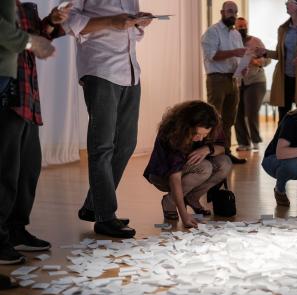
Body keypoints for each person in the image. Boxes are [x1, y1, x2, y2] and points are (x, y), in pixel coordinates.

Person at [63, 1, 153, 238]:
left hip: (131, 71)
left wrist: (138, 22)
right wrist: (111, 22)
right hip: (100, 69)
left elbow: (130, 34)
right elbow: (69, 22)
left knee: (126, 143)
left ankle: (94, 205)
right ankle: (105, 216)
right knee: (102, 146)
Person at [0, 1, 66, 288]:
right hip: (6, 91)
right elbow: (22, 39)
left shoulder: (25, 6)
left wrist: (50, 21)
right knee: (5, 172)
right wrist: (30, 41)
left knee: (28, 169)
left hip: (27, 97)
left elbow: (41, 38)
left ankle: (17, 230)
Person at [143, 101, 232, 229]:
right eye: (196, 134)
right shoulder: (172, 132)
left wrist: (208, 149)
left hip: (192, 169)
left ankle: (192, 197)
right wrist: (184, 215)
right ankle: (169, 201)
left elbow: (223, 147)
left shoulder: (212, 122)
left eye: (205, 135)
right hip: (162, 175)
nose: (201, 139)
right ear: (187, 127)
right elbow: (175, 177)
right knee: (205, 167)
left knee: (225, 162)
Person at [256, 0, 297, 123]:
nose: (286, 4)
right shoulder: (283, 29)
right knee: (283, 115)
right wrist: (264, 52)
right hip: (284, 77)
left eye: (289, 2)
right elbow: (278, 54)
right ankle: (281, 141)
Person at [201, 1, 247, 164]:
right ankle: (212, 154)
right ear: (221, 13)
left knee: (229, 119)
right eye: (229, 11)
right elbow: (211, 55)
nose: (233, 14)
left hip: (232, 79)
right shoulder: (212, 32)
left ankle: (225, 153)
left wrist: (243, 67)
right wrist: (234, 52)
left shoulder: (235, 34)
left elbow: (238, 57)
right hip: (217, 79)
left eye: (235, 12)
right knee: (214, 119)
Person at [234, 17, 270, 152]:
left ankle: (255, 140)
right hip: (238, 82)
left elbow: (267, 59)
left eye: (244, 26)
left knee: (251, 112)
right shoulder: (232, 43)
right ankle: (243, 143)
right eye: (239, 27)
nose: (242, 28)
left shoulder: (255, 41)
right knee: (237, 113)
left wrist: (257, 62)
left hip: (256, 81)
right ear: (234, 28)